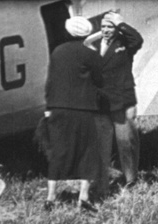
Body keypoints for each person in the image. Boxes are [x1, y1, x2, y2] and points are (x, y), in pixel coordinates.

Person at [44, 16, 103, 212]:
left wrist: (48, 106)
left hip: (58, 107)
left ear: (68, 32)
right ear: (87, 34)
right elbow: (100, 81)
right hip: (84, 109)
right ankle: (83, 197)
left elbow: (50, 81)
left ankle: (50, 197)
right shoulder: (91, 54)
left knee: (58, 151)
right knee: (87, 151)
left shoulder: (57, 52)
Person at [92, 12, 144, 188]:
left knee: (126, 141)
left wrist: (121, 23)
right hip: (101, 101)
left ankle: (131, 179)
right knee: (101, 143)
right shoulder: (92, 44)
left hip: (121, 99)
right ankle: (101, 182)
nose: (106, 30)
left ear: (116, 28)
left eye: (110, 26)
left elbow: (137, 39)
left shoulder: (125, 43)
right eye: (103, 26)